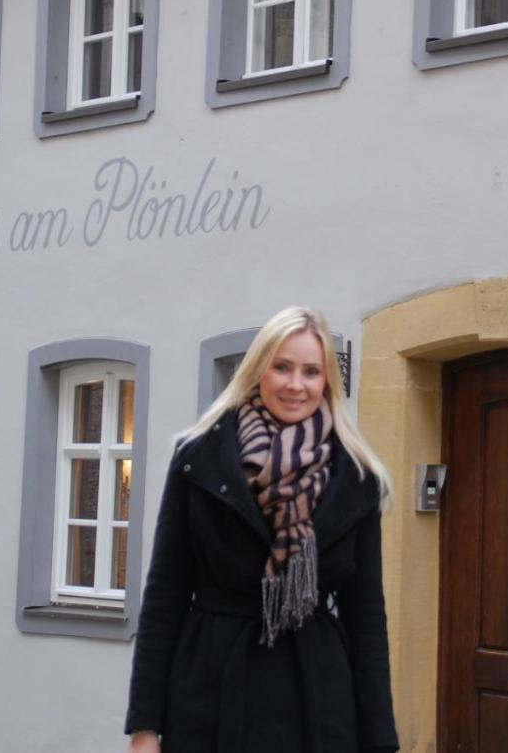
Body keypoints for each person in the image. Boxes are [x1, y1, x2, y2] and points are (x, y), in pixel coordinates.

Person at [125, 306, 399, 753]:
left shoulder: (357, 477)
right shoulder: (199, 457)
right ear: (258, 371)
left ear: (327, 380)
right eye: (283, 367)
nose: (296, 385)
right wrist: (144, 727)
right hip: (211, 691)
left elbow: (367, 618)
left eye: (311, 371)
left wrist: (380, 740)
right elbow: (164, 597)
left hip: (317, 698)